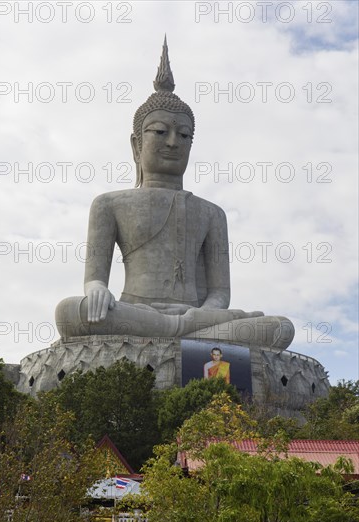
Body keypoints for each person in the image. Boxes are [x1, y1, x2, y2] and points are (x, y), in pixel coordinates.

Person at [55, 38, 294, 351]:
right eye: (160, 132)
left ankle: (178, 331)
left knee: (279, 328)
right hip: (135, 314)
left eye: (184, 135)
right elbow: (94, 279)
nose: (172, 142)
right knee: (73, 311)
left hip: (197, 317)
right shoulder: (109, 204)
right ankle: (183, 335)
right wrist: (97, 288)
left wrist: (199, 314)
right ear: (136, 144)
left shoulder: (211, 214)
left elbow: (220, 294)